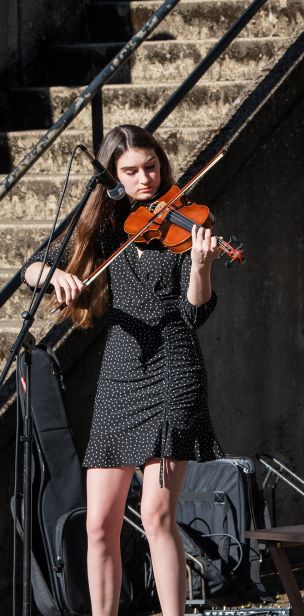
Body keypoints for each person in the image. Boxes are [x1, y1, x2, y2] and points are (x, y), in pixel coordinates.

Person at [21, 125, 225, 616]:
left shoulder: (189, 222)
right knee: (98, 525)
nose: (144, 179)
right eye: (130, 171)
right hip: (121, 372)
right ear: (112, 176)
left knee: (157, 516)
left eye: (151, 167)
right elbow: (32, 266)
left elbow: (196, 312)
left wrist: (200, 265)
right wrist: (58, 275)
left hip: (173, 370)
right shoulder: (108, 224)